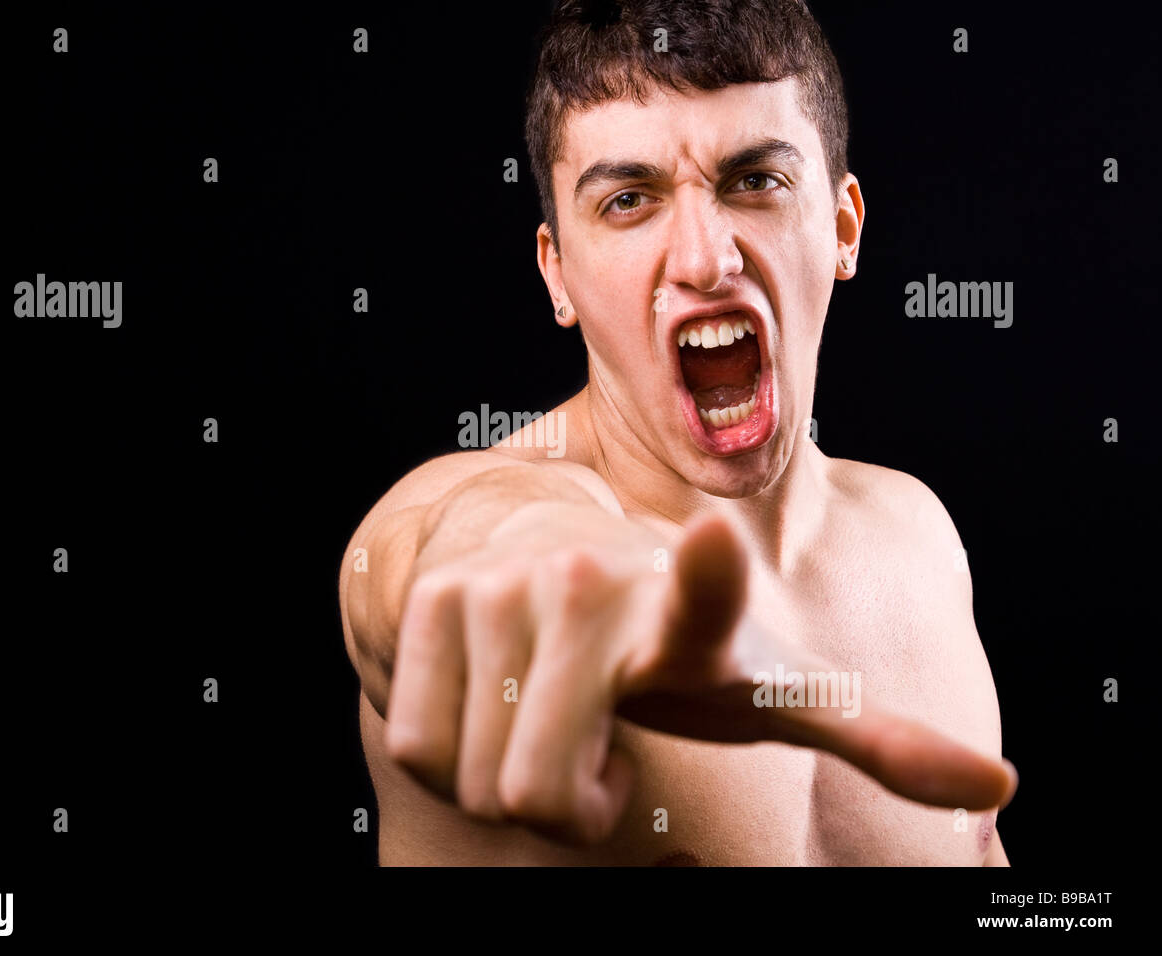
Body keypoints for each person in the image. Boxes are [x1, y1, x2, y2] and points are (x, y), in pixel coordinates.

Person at [338, 0, 1017, 865]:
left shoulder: (917, 537)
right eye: (629, 200)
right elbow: (422, 559)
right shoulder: (540, 534)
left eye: (754, 180)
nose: (704, 260)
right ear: (559, 275)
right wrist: (489, 568)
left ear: (843, 226)